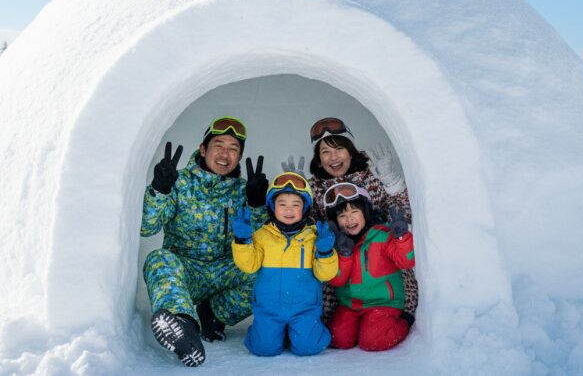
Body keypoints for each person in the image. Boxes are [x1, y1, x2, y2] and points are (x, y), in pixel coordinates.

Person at [140, 116, 269, 367]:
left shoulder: (244, 189)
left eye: (234, 149)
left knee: (270, 272)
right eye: (218, 145)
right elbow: (147, 228)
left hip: (227, 271)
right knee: (158, 259)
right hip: (187, 273)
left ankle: (213, 315)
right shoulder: (180, 182)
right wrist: (159, 189)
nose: (225, 154)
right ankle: (183, 326)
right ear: (203, 149)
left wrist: (257, 205)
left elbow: (261, 240)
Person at [282, 117, 419, 324]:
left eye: (339, 149)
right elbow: (304, 230)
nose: (333, 157)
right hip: (338, 265)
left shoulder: (372, 178)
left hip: (374, 263)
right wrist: (300, 198)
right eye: (325, 152)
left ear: (350, 150)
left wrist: (392, 183)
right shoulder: (316, 187)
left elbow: (402, 216)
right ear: (318, 159)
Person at [231, 172, 338, 356]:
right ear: (272, 207)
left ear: (304, 208)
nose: (289, 210)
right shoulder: (262, 236)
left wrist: (325, 252)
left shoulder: (313, 237)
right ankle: (269, 332)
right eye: (282, 204)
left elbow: (325, 275)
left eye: (295, 205)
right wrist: (242, 240)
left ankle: (301, 332)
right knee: (263, 349)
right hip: (269, 308)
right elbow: (249, 266)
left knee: (309, 347)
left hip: (304, 309)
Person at [324, 182, 415, 351]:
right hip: (349, 305)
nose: (349, 219)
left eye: (354, 212)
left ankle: (404, 322)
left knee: (373, 341)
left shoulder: (382, 235)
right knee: (338, 339)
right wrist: (344, 254)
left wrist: (401, 237)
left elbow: (406, 261)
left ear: (365, 213)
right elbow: (337, 280)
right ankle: (361, 327)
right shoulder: (336, 244)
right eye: (342, 216)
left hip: (382, 304)